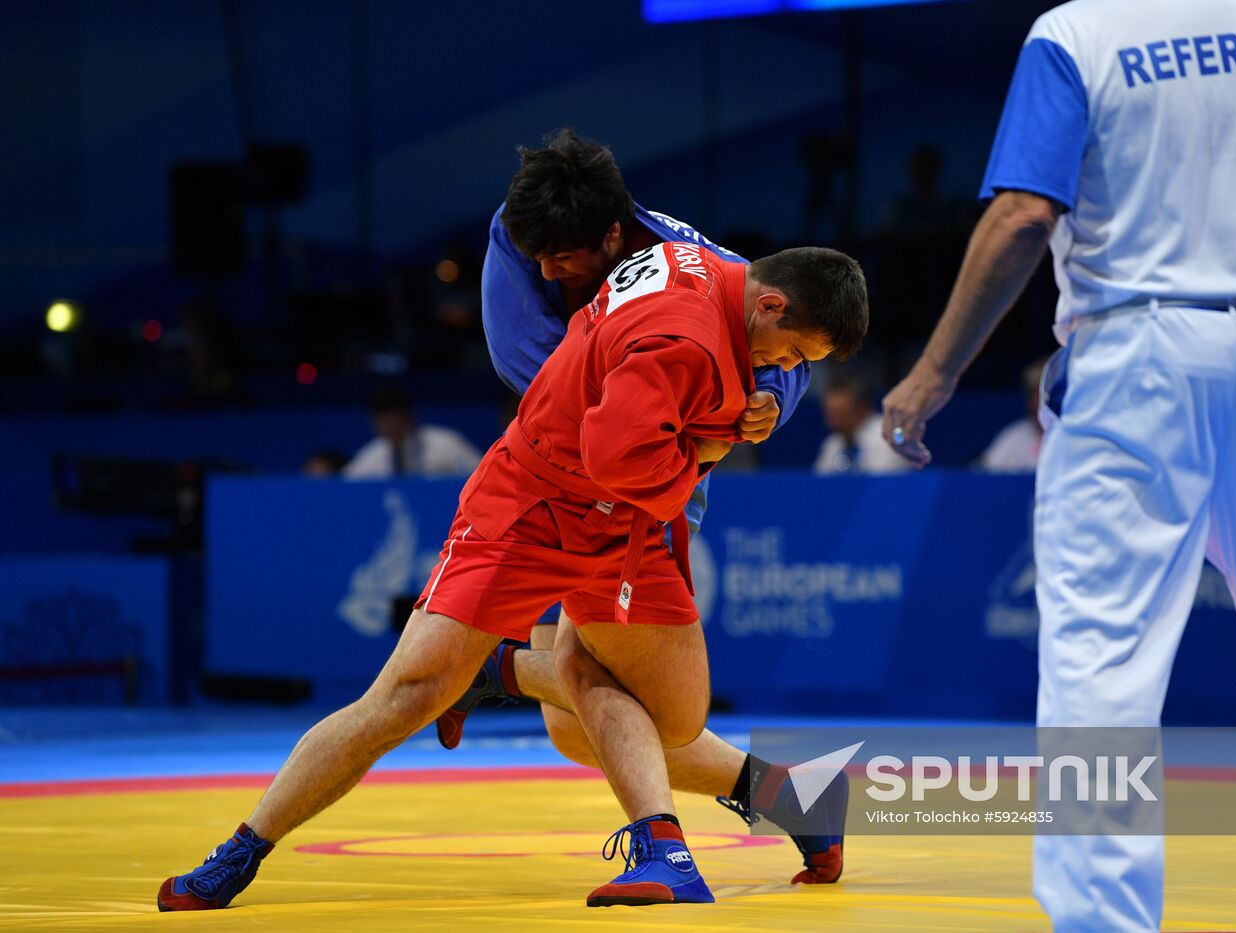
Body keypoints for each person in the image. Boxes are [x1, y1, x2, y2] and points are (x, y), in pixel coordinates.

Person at [881, 2, 1236, 930]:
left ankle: (1104, 921)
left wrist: (931, 373)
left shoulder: (1075, 35)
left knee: (1101, 658)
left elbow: (1024, 215)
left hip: (1134, 358)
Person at [156, 242, 867, 911]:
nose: (783, 365)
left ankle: (516, 674)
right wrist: (707, 445)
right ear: (770, 304)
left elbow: (665, 398)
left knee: (652, 718)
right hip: (532, 508)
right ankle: (242, 849)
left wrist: (748, 406)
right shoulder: (686, 339)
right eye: (794, 352)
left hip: (620, 526)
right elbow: (616, 456)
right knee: (406, 693)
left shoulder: (700, 261)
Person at [439, 128, 843, 886]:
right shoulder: (519, 233)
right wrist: (622, 410)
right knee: (582, 722)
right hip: (570, 471)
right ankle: (795, 800)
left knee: (627, 708)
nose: (550, 270)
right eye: (541, 261)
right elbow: (526, 367)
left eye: (565, 260)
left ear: (614, 234)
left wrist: (764, 406)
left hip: (656, 477)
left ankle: (513, 680)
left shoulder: (691, 257)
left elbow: (786, 346)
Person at [342, 384, 482, 479]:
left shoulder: (447, 445)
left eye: (394, 417)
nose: (390, 425)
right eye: (382, 419)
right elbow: (345, 488)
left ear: (409, 416)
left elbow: (481, 477)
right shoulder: (370, 458)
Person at [813, 371, 915, 475]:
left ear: (863, 409)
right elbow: (820, 485)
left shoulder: (888, 437)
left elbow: (879, 485)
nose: (834, 423)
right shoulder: (833, 444)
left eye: (842, 415)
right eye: (830, 415)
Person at [976, 356, 1048, 473]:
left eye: (1043, 394)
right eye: (1033, 394)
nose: (1037, 402)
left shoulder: (1076, 436)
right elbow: (984, 475)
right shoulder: (1014, 438)